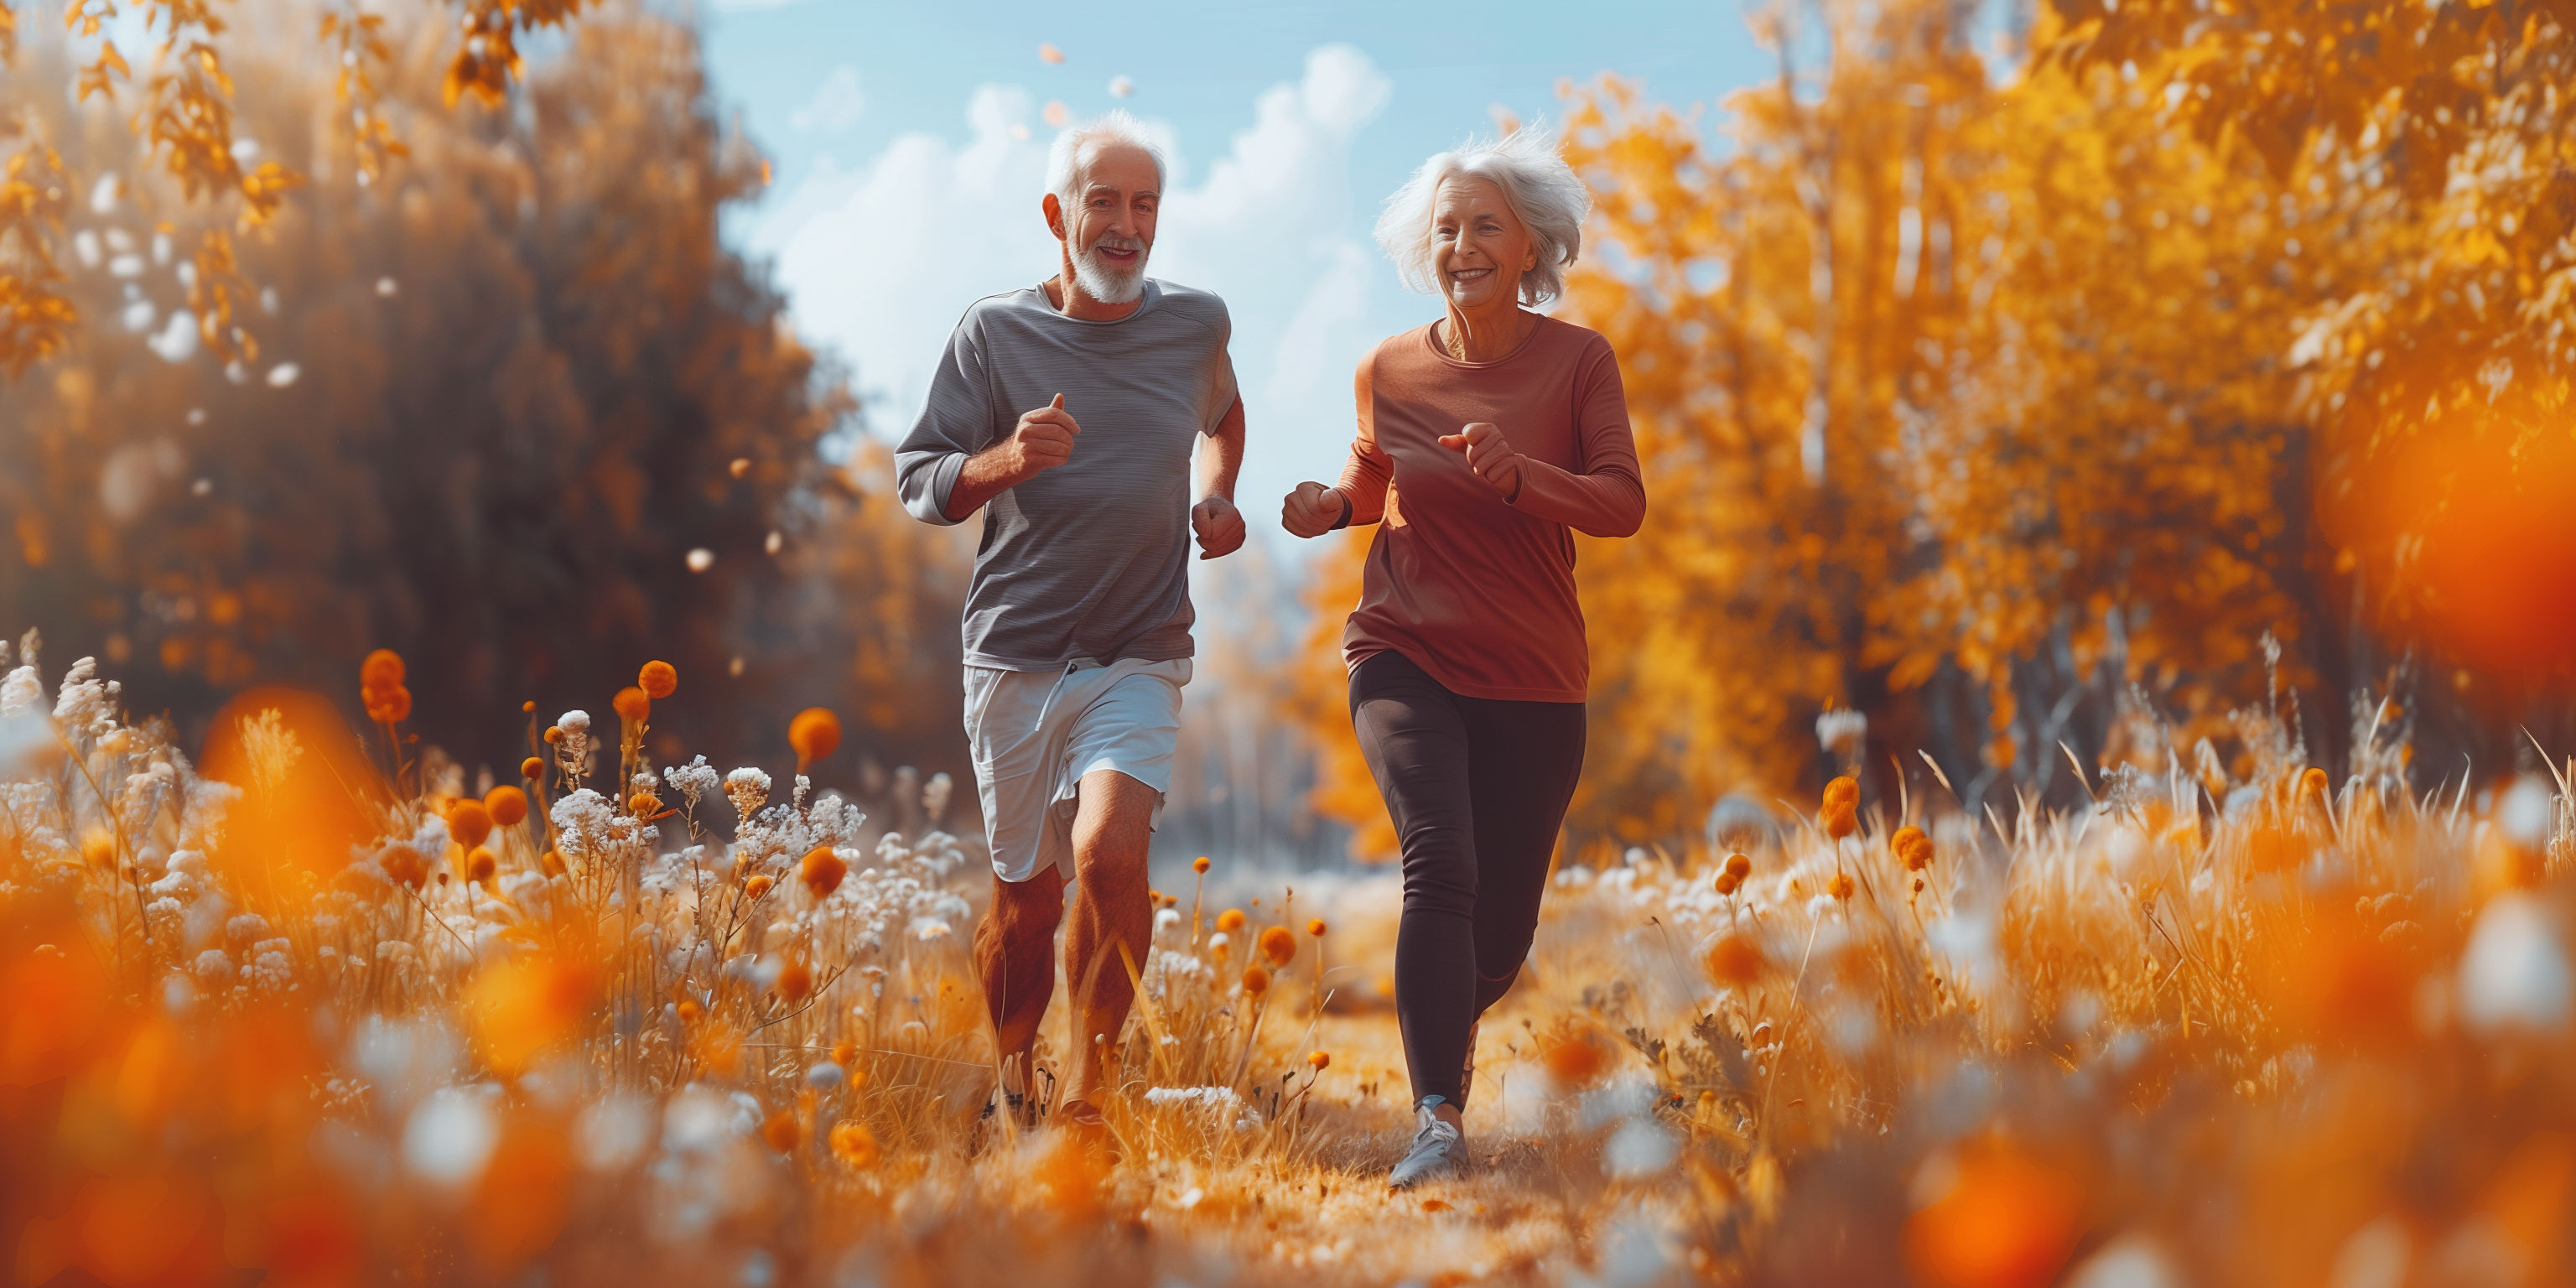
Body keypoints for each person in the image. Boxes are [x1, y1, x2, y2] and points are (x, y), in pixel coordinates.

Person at [1280, 125, 1644, 1189]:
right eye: (1448, 227)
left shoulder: (1579, 362)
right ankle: (1438, 1119)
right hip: (1404, 651)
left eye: (1488, 225)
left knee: (1500, 938)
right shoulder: (1387, 366)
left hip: (1535, 677)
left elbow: (1622, 503)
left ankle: (1452, 1017)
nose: (1465, 243)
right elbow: (1371, 482)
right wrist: (1326, 509)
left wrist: (1523, 476)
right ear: (1425, 249)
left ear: (1531, 249)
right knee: (1438, 864)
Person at [896, 111, 1247, 1135]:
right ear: (1059, 215)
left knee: (1108, 855)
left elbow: (1223, 413)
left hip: (1140, 646)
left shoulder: (1196, 322)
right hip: (1013, 653)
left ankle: (1090, 1097)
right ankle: (1015, 1085)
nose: (1126, 225)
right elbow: (921, 481)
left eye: (1145, 205)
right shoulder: (993, 334)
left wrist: (1219, 494)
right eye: (1105, 202)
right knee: (1028, 902)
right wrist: (1006, 459)